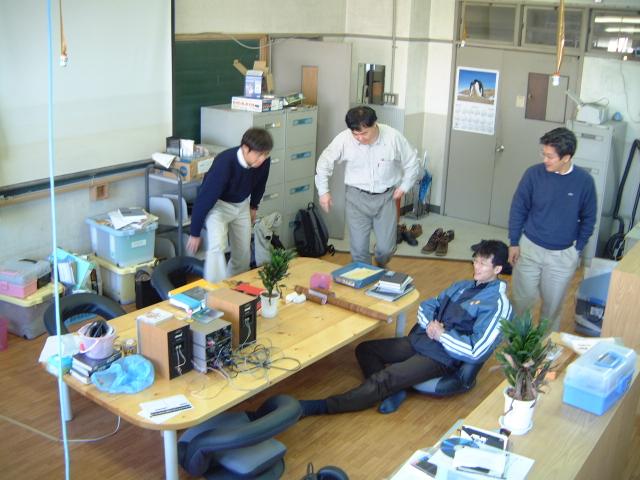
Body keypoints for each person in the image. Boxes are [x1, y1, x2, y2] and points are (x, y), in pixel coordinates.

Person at [299, 240, 513, 416]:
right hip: (423, 340)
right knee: (365, 350)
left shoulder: (496, 304)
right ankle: (394, 392)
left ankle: (322, 406)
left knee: (385, 378)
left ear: (497, 269)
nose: (476, 267)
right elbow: (428, 305)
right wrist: (430, 326)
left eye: (483, 264)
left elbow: (476, 350)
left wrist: (442, 335)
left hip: (442, 356)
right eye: (475, 261)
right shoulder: (462, 286)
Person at [508, 127, 597, 332]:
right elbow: (518, 207)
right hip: (529, 249)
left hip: (562, 256)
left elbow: (589, 218)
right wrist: (514, 241)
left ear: (566, 158)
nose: (545, 159)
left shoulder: (584, 182)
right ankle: (517, 345)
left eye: (550, 156)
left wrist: (577, 248)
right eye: (544, 154)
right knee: (521, 302)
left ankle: (545, 347)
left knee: (552, 309)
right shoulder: (533, 174)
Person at [315, 106, 420, 267]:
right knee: (358, 252)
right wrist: (323, 192)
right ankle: (364, 278)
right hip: (356, 198)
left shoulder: (392, 137)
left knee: (386, 249)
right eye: (355, 134)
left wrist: (404, 186)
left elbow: (412, 162)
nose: (360, 138)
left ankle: (380, 264)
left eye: (364, 133)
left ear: (375, 124)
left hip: (386, 198)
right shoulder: (344, 139)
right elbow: (324, 162)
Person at [186, 128, 273, 283]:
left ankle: (235, 288)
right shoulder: (225, 163)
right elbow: (205, 198)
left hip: (241, 204)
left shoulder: (263, 162)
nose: (262, 159)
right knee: (217, 246)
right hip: (218, 205)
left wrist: (254, 206)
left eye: (265, 154)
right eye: (259, 154)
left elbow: (261, 184)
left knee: (243, 253)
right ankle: (214, 289)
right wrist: (195, 232)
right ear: (245, 148)